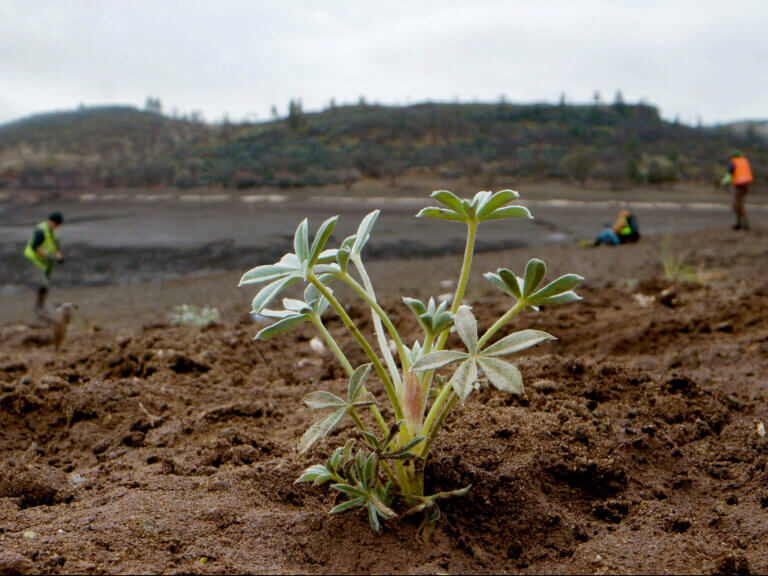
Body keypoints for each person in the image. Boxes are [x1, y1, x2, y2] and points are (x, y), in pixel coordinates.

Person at [23, 211, 64, 317]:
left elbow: (56, 247)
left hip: (45, 262)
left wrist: (59, 257)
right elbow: (34, 246)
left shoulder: (54, 232)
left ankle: (40, 306)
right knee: (43, 284)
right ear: (52, 222)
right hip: (35, 260)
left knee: (45, 286)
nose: (57, 227)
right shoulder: (41, 230)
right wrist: (49, 256)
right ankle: (39, 308)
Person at [721, 150, 753, 230]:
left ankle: (744, 224)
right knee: (739, 204)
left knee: (737, 206)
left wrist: (723, 183)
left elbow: (729, 176)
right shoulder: (745, 162)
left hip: (739, 186)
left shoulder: (733, 163)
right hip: (746, 185)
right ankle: (740, 223)